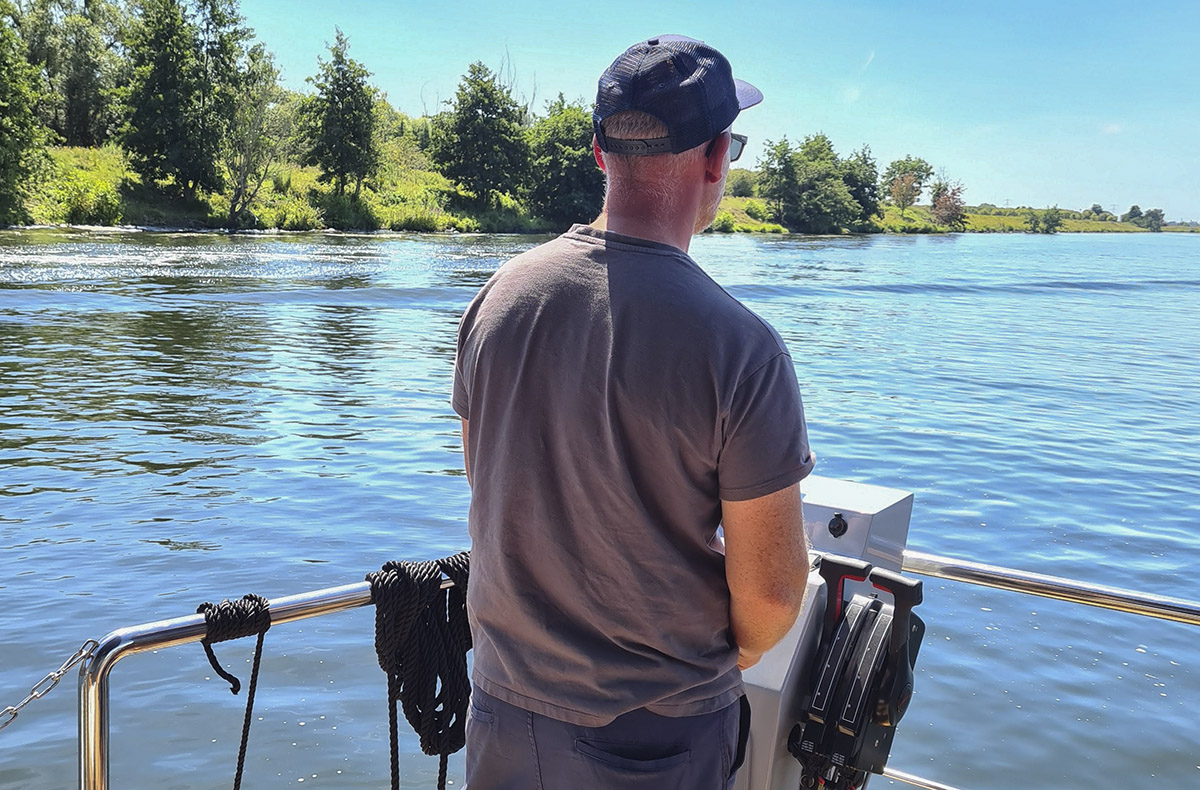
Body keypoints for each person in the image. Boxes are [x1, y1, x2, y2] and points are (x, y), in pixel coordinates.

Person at [452, 35, 814, 789]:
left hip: (500, 711)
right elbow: (773, 600)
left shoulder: (497, 301)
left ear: (598, 154)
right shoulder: (741, 348)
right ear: (716, 159)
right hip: (655, 735)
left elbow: (486, 488)